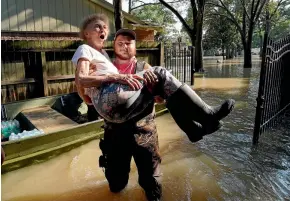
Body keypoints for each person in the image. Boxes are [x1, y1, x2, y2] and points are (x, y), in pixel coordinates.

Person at [72, 14, 235, 200]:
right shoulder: (104, 63)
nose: (125, 45)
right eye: (120, 42)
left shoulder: (144, 66)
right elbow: (83, 85)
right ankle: (198, 123)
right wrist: (87, 92)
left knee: (152, 184)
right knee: (116, 185)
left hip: (144, 132)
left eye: (129, 42)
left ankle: (196, 126)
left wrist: (152, 89)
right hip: (115, 134)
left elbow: (162, 99)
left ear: (135, 47)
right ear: (113, 45)